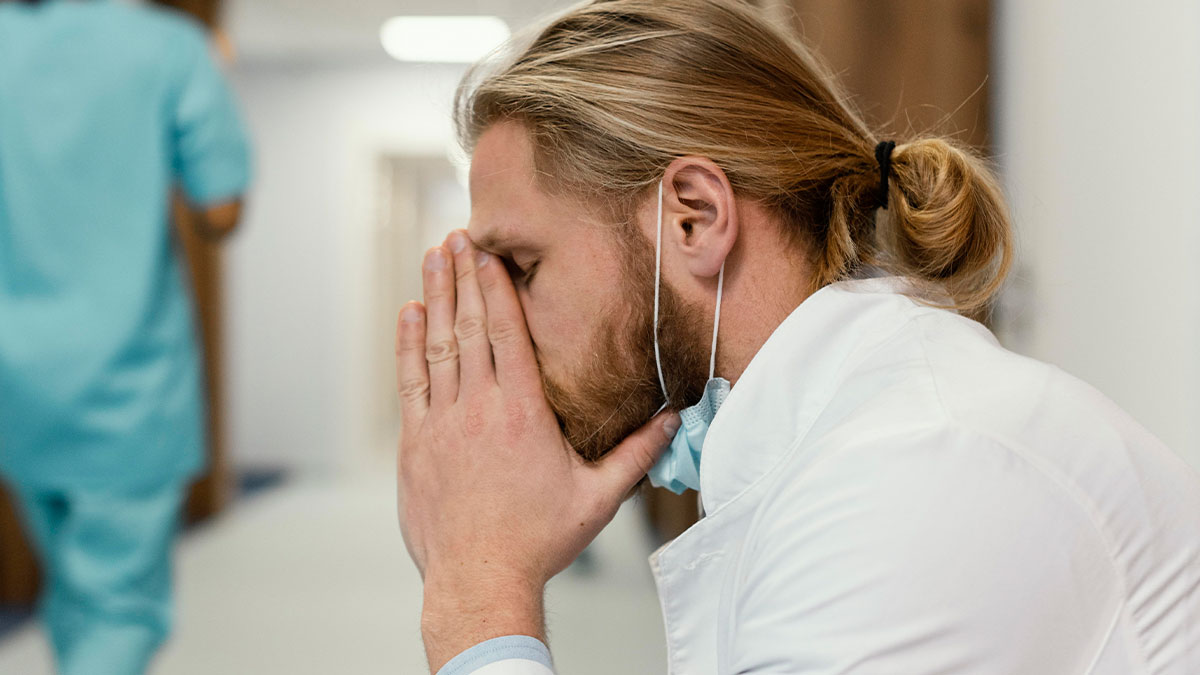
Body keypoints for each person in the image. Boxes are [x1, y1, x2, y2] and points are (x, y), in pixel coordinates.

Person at [393, 1, 1200, 673]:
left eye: (522, 266)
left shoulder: (914, 468)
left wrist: (480, 592)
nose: (495, 323)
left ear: (694, 217)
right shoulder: (843, 441)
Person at [0, 0, 250, 672]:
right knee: (117, 609)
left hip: (15, 382)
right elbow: (221, 209)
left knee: (73, 594)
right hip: (125, 383)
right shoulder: (168, 49)